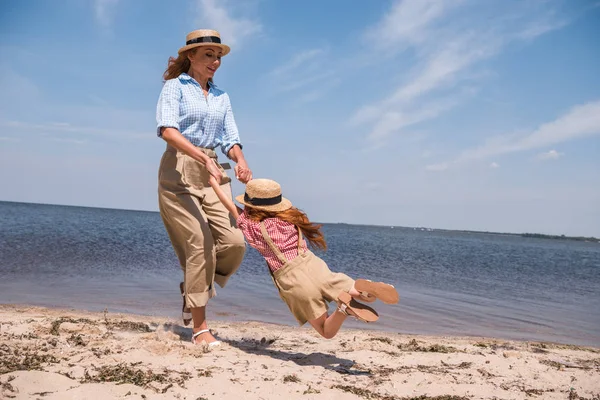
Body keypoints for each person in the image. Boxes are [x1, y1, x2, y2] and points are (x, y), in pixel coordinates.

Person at [208, 177, 399, 339]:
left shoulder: (252, 226)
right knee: (354, 290)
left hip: (293, 280)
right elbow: (263, 197)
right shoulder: (290, 218)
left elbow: (230, 205)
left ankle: (343, 309)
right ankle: (369, 289)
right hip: (314, 266)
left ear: (249, 203)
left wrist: (214, 183)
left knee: (326, 331)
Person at [156, 29, 252, 346]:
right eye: (208, 55)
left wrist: (240, 160)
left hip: (214, 172)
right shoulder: (175, 88)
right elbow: (168, 131)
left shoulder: (222, 97)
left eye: (218, 56)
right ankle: (200, 327)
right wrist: (200, 157)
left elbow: (230, 139)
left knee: (235, 243)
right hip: (179, 170)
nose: (214, 61)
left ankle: (194, 289)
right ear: (191, 57)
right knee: (199, 243)